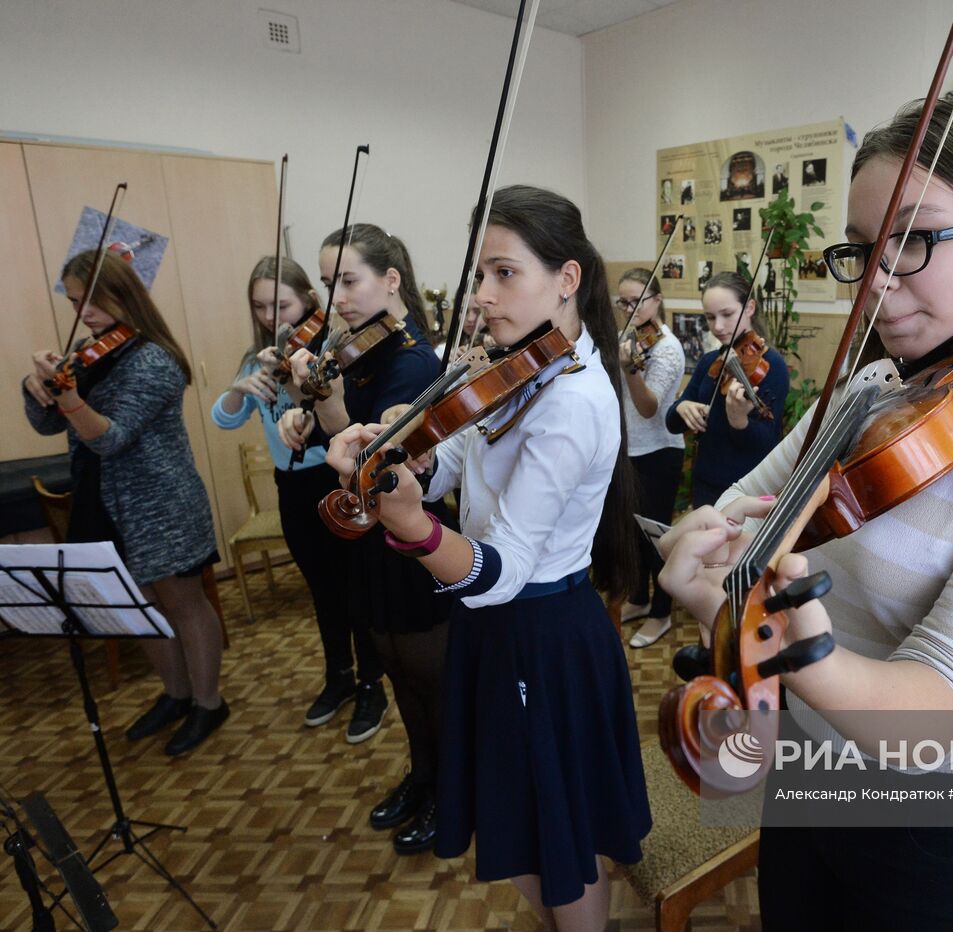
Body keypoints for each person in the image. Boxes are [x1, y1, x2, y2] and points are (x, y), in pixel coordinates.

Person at [657, 98, 953, 930]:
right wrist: (707, 546)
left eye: (912, 240)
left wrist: (768, 636)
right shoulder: (875, 387)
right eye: (862, 249)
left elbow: (945, 708)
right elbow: (743, 510)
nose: (878, 279)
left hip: (934, 821)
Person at [324, 186, 649, 929]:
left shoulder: (570, 401)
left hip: (540, 635)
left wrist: (411, 525)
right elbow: (451, 467)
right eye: (479, 276)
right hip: (500, 637)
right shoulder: (517, 371)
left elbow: (498, 574)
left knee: (557, 838)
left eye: (504, 273)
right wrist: (390, 454)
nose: (483, 296)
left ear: (566, 279)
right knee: (533, 828)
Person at [278, 223, 451, 854]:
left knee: (429, 674)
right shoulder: (355, 351)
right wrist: (304, 413)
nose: (337, 298)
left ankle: (450, 789)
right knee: (397, 670)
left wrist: (322, 407)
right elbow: (337, 432)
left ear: (391, 279)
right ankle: (423, 773)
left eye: (348, 280)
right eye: (328, 283)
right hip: (364, 540)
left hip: (409, 538)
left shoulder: (413, 360)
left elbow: (370, 457)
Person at [23, 251, 226, 756]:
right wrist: (36, 390)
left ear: (123, 292)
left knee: (183, 602)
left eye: (91, 299)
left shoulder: (153, 358)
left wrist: (68, 395)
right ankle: (175, 695)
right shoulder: (92, 355)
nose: (83, 313)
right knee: (141, 605)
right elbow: (49, 423)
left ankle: (208, 702)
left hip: (160, 504)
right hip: (106, 503)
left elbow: (109, 437)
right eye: (74, 302)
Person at [212, 257, 382, 736]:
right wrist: (237, 387)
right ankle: (339, 677)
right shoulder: (259, 357)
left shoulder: (327, 346)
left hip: (330, 477)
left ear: (309, 298)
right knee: (321, 589)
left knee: (354, 585)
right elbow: (224, 418)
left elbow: (333, 409)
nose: (271, 316)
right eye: (260, 306)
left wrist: (297, 380)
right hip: (291, 488)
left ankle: (372, 683)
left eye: (281, 304)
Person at [665, 270, 788, 508]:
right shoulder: (711, 361)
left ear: (750, 307)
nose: (718, 327)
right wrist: (682, 407)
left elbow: (768, 444)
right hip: (705, 486)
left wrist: (739, 421)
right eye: (710, 317)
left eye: (727, 314)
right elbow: (672, 423)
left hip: (747, 491)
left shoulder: (772, 366)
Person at [615, 269, 687, 648]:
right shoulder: (627, 339)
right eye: (623, 302)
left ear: (656, 301)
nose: (630, 309)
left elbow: (648, 407)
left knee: (655, 535)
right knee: (632, 531)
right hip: (629, 449)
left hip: (660, 451)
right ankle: (640, 599)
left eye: (637, 301)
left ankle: (661, 612)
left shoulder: (668, 348)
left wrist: (629, 371)